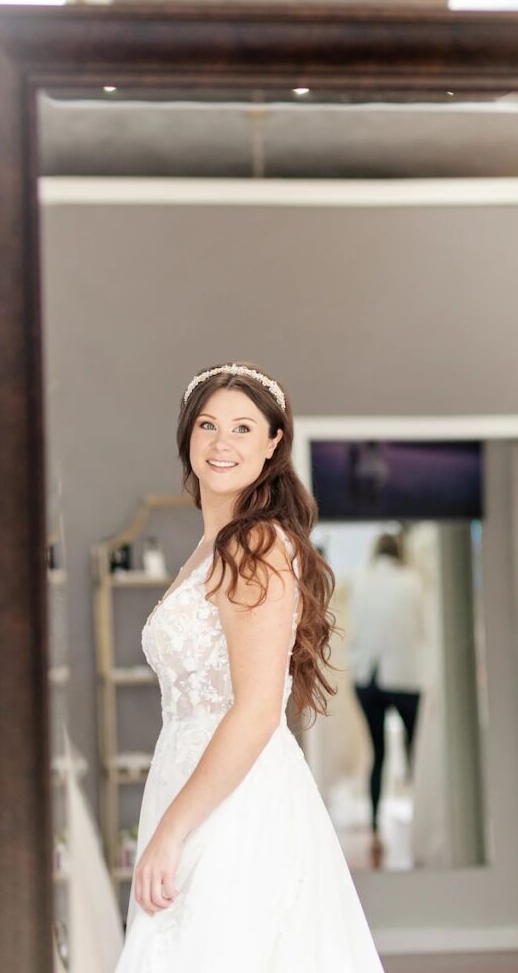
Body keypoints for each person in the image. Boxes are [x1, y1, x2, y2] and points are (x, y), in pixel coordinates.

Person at [115, 362, 385, 971]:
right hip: (190, 779)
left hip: (236, 802)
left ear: (272, 445)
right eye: (208, 425)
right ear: (188, 438)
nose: (221, 442)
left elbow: (260, 707)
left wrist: (172, 831)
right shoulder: (212, 547)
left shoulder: (254, 544)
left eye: (242, 428)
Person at [348, 533, 425, 863]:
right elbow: (420, 628)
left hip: (367, 676)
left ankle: (377, 827)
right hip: (405, 675)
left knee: (377, 753)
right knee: (415, 753)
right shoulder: (413, 582)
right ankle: (421, 821)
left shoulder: (360, 580)